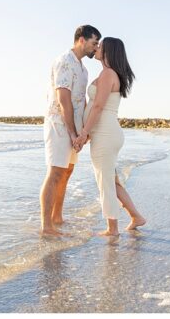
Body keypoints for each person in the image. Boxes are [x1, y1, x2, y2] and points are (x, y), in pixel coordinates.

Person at [76, 37, 146, 236]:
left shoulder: (108, 74)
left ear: (108, 51)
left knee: (104, 181)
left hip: (105, 134)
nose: (97, 48)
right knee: (112, 181)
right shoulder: (108, 73)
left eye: (100, 46)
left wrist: (84, 133)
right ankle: (136, 217)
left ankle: (112, 228)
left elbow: (98, 107)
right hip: (107, 132)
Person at [41, 25, 100, 236]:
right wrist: (73, 132)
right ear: (81, 40)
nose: (96, 48)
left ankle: (58, 217)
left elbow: (81, 100)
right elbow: (63, 99)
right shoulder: (64, 61)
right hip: (59, 124)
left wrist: (83, 131)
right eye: (94, 43)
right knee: (55, 171)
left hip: (75, 127)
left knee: (67, 172)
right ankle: (46, 226)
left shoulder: (83, 69)